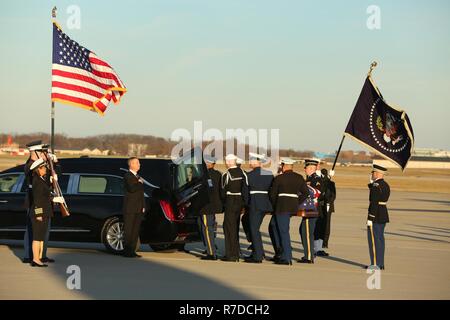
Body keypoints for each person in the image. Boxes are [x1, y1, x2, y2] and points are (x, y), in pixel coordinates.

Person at [269, 157, 308, 265]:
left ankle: (287, 257)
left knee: (283, 231)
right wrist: (296, 202)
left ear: (284, 166)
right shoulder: (299, 177)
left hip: (282, 207)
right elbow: (305, 193)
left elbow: (272, 195)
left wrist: (275, 205)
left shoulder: (280, 178)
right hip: (292, 207)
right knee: (273, 225)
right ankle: (280, 252)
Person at [244, 153, 273, 263]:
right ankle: (258, 251)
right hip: (266, 204)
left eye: (251, 161)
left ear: (254, 162)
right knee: (253, 227)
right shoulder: (269, 174)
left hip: (255, 204)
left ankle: (258, 255)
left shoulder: (249, 175)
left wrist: (247, 204)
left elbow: (246, 193)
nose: (249, 163)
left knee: (254, 230)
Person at [220, 154, 248, 262]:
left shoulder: (226, 175)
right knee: (235, 227)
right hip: (239, 201)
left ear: (228, 162)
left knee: (228, 228)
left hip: (230, 201)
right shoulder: (243, 173)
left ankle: (231, 255)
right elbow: (245, 189)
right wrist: (244, 203)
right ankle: (236, 253)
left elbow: (222, 192)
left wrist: (225, 203)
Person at [29, 159, 56, 267]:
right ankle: (35, 259)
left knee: (41, 237)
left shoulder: (41, 179)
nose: (45, 169)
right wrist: (38, 214)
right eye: (44, 167)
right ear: (38, 169)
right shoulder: (37, 181)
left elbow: (45, 195)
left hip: (45, 212)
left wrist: (52, 198)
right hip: (39, 213)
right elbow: (37, 200)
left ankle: (39, 257)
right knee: (37, 237)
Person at [365, 164, 390, 270]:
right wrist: (372, 184)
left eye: (373, 172)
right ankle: (380, 263)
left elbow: (374, 202)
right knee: (380, 239)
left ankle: (375, 264)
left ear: (377, 173)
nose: (372, 174)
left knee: (374, 240)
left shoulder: (376, 186)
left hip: (376, 215)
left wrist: (370, 218)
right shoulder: (385, 184)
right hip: (383, 213)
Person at [198, 155, 223, 260]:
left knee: (207, 229)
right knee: (210, 227)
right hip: (215, 206)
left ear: (208, 164)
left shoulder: (204, 175)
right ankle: (211, 246)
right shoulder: (218, 174)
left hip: (206, 206)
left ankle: (211, 252)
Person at [299, 158, 321, 263]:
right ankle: (309, 254)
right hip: (308, 209)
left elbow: (317, 192)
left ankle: (309, 256)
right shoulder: (309, 178)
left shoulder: (315, 179)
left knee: (307, 232)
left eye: (306, 167)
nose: (304, 169)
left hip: (311, 209)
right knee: (303, 231)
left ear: (311, 168)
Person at [122, 157, 146, 258]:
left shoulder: (138, 176)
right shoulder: (128, 175)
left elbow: (141, 194)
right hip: (130, 208)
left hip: (138, 207)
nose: (139, 164)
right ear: (131, 164)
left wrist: (143, 206)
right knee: (129, 230)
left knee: (135, 230)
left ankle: (132, 250)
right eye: (137, 163)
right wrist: (140, 183)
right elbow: (132, 189)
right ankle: (127, 251)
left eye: (139, 163)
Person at [321, 168, 336, 249]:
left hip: (328, 206)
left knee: (327, 225)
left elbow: (333, 196)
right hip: (321, 206)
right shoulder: (322, 181)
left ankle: (325, 242)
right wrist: (329, 177)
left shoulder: (331, 183)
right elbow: (322, 186)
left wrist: (328, 203)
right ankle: (320, 240)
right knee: (321, 224)